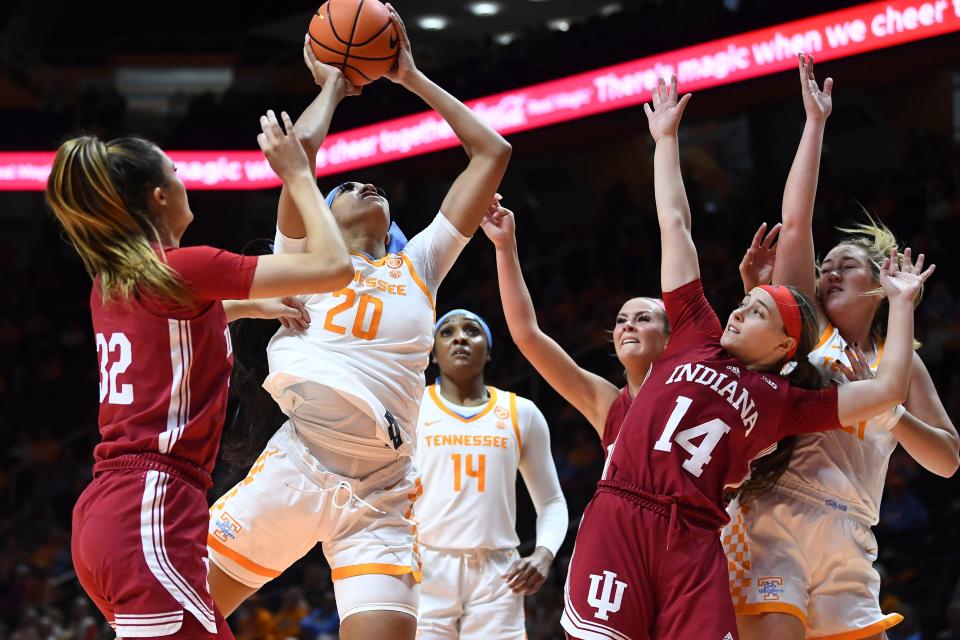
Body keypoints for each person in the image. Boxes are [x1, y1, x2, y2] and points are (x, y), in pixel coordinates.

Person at [560, 75, 934, 640]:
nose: (738, 309)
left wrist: (904, 308)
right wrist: (665, 141)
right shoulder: (697, 331)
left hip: (744, 530)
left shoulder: (785, 396)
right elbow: (677, 225)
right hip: (683, 513)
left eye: (755, 309)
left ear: (787, 343)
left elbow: (888, 395)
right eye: (743, 301)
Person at [205, 6, 512, 640]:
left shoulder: (420, 263)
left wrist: (412, 77)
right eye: (346, 186)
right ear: (324, 212)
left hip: (382, 489)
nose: (366, 183)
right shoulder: (304, 262)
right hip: (302, 462)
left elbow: (492, 151)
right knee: (179, 618)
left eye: (370, 184)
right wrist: (335, 87)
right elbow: (300, 159)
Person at [48, 109, 355, 638]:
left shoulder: (112, 282)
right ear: (159, 197)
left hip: (115, 513)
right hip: (150, 509)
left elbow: (168, 336)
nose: (184, 181)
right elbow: (336, 267)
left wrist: (244, 308)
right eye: (175, 171)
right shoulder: (184, 267)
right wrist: (299, 173)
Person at [727, 54, 959, 640]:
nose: (828, 271)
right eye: (825, 267)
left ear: (882, 285)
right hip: (777, 510)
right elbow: (796, 223)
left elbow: (948, 460)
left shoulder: (899, 363)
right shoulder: (810, 331)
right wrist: (814, 124)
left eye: (846, 266)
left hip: (853, 531)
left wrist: (890, 408)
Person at [480, 196, 669, 465]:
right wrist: (504, 245)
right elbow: (527, 335)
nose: (628, 325)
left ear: (669, 339)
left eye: (643, 318)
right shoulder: (608, 405)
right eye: (620, 320)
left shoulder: (698, 397)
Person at [415, 309, 568, 638]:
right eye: (447, 332)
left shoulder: (522, 412)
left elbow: (552, 501)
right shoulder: (411, 406)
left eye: (472, 331)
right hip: (425, 566)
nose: (459, 337)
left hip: (498, 573)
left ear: (489, 351)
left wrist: (544, 554)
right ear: (433, 354)